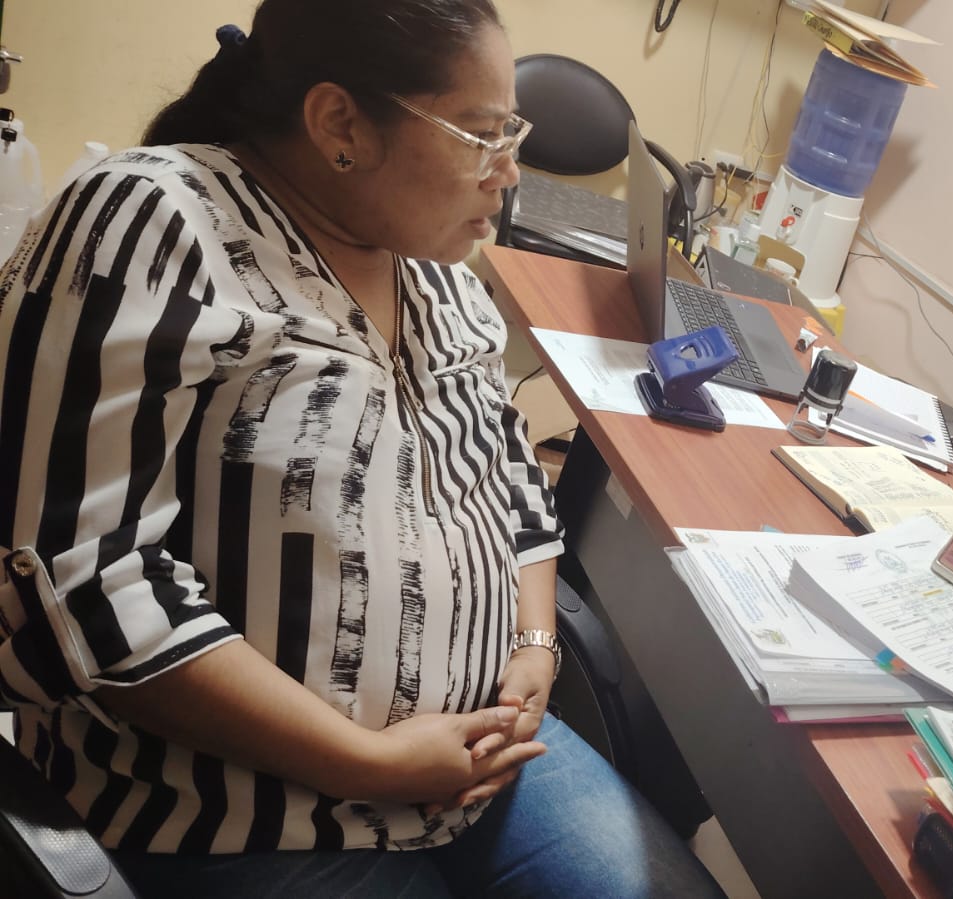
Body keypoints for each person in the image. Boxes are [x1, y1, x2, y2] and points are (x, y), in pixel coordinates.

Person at [0, 1, 724, 896]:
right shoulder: (152, 221)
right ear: (340, 123)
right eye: (481, 136)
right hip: (236, 809)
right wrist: (365, 761)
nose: (508, 173)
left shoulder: (435, 273)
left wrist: (535, 645)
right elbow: (79, 580)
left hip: (478, 761)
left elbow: (509, 473)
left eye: (512, 134)